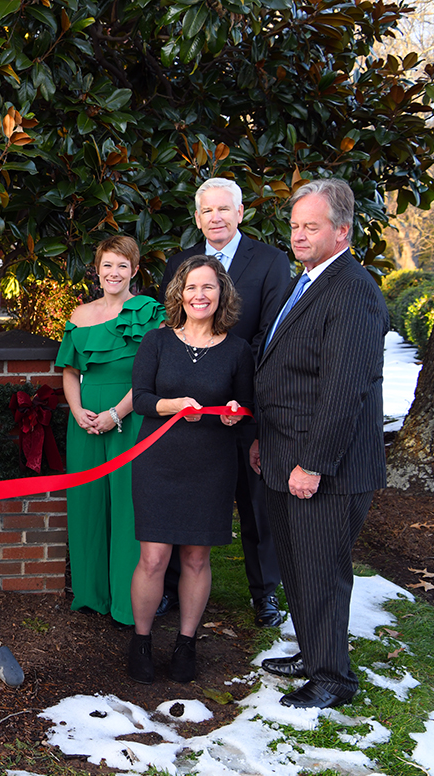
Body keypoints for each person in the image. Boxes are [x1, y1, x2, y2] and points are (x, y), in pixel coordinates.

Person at [252, 179, 386, 709]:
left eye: (312, 226)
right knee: (298, 564)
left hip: (325, 468)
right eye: (295, 226)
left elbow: (343, 390)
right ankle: (312, 653)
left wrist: (312, 463)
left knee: (322, 572)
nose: (299, 236)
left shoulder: (352, 291)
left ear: (342, 230)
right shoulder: (306, 281)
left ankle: (332, 678)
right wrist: (266, 440)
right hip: (286, 454)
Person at [158, 177, 291, 627]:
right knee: (181, 494)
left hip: (246, 401)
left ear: (239, 213)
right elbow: (172, 330)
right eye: (206, 211)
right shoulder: (179, 264)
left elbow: (270, 333)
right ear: (197, 218)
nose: (215, 217)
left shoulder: (271, 262)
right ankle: (173, 588)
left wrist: (231, 378)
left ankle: (264, 592)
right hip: (188, 407)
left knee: (254, 500)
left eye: (223, 209)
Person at [127, 255, 251, 683]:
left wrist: (237, 413)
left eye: (209, 288)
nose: (200, 295)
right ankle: (141, 641)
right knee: (154, 557)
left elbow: (246, 406)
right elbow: (141, 398)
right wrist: (173, 406)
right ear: (180, 293)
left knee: (197, 558)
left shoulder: (238, 349)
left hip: (211, 465)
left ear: (222, 295)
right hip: (158, 463)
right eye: (192, 287)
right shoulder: (156, 342)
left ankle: (186, 643)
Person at [55, 236, 164, 628]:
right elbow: (69, 371)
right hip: (84, 418)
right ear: (97, 269)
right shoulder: (79, 314)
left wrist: (116, 414)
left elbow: (151, 376)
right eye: (107, 265)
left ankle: (125, 602)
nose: (113, 273)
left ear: (134, 270)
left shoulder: (151, 312)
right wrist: (76, 409)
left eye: (122, 265)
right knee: (86, 503)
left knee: (127, 507)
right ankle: (90, 594)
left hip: (130, 417)